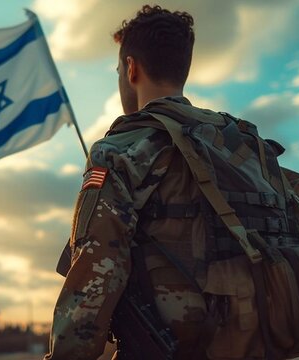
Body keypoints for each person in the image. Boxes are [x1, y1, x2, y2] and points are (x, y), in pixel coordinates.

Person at [45, 5, 208, 359]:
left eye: (119, 70)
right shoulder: (236, 144)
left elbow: (92, 280)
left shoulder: (121, 151)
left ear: (131, 68)